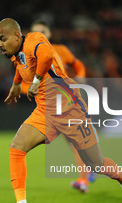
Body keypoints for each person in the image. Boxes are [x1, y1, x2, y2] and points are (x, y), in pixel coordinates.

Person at [0, 18, 122, 203]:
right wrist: (16, 84)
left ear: (17, 36)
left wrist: (35, 82)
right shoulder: (15, 54)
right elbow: (22, 65)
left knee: (95, 164)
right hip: (45, 111)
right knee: (17, 147)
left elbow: (44, 55)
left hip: (70, 109)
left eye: (2, 38)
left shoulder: (36, 40)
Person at [29, 20, 95, 193]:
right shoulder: (28, 56)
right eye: (35, 32)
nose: (39, 35)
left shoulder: (61, 51)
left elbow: (78, 65)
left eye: (42, 31)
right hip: (48, 105)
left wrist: (80, 76)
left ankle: (85, 177)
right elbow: (23, 80)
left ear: (49, 34)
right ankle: (90, 167)